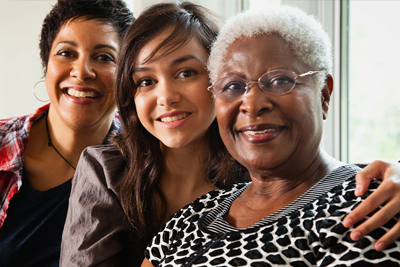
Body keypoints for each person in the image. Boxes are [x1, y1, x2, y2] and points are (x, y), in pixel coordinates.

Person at [61, 2, 400, 267]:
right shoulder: (191, 214)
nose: (165, 96)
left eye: (186, 72)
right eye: (145, 81)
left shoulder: (353, 197)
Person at [0, 0, 133, 266]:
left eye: (105, 57)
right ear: (46, 63)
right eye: (66, 53)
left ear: (127, 75)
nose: (82, 72)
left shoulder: (144, 164)